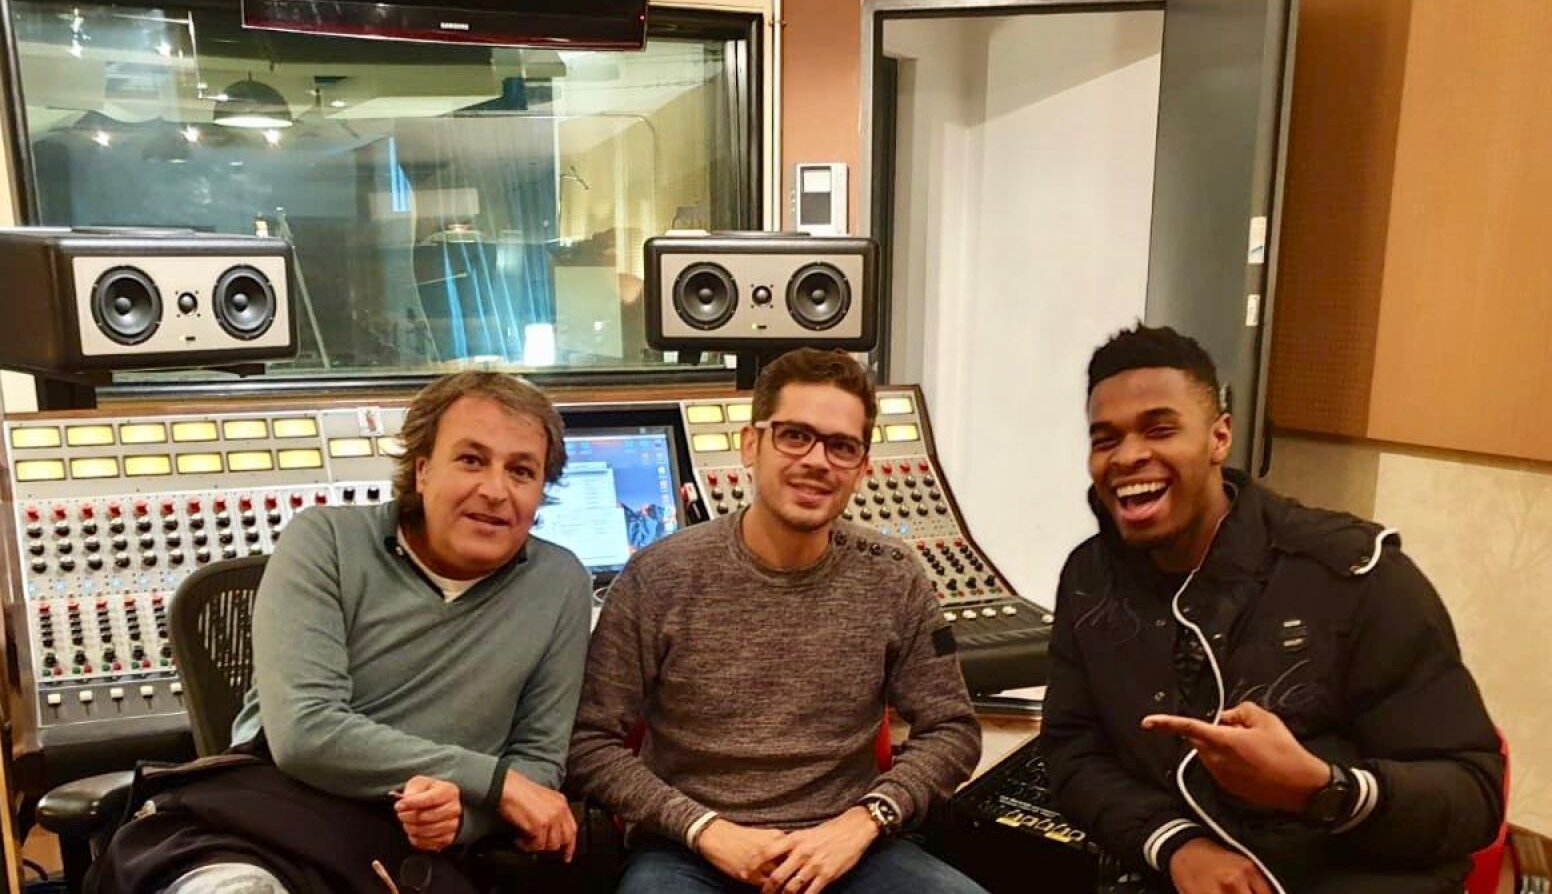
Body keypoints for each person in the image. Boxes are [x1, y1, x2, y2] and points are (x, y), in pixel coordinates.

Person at [89, 372, 592, 894]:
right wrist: (491, 782)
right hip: (269, 826)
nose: (495, 490)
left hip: (410, 858)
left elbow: (536, 769)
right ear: (423, 470)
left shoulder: (560, 583)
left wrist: (461, 819)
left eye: (521, 471)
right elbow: (306, 733)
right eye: (471, 460)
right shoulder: (325, 539)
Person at [1043, 325, 1504, 894]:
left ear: (1219, 438)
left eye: (1159, 429)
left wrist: (1320, 789)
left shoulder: (1353, 572)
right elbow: (1073, 753)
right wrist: (1178, 846)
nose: (1129, 456)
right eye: (1106, 439)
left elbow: (1474, 794)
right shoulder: (1089, 578)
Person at [568, 347, 987, 894]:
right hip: (692, 851)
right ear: (751, 444)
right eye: (795, 435)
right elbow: (589, 743)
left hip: (847, 848)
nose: (817, 460)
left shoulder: (894, 575)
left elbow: (953, 730)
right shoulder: (658, 576)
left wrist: (865, 820)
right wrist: (704, 829)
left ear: (863, 468)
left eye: (842, 446)